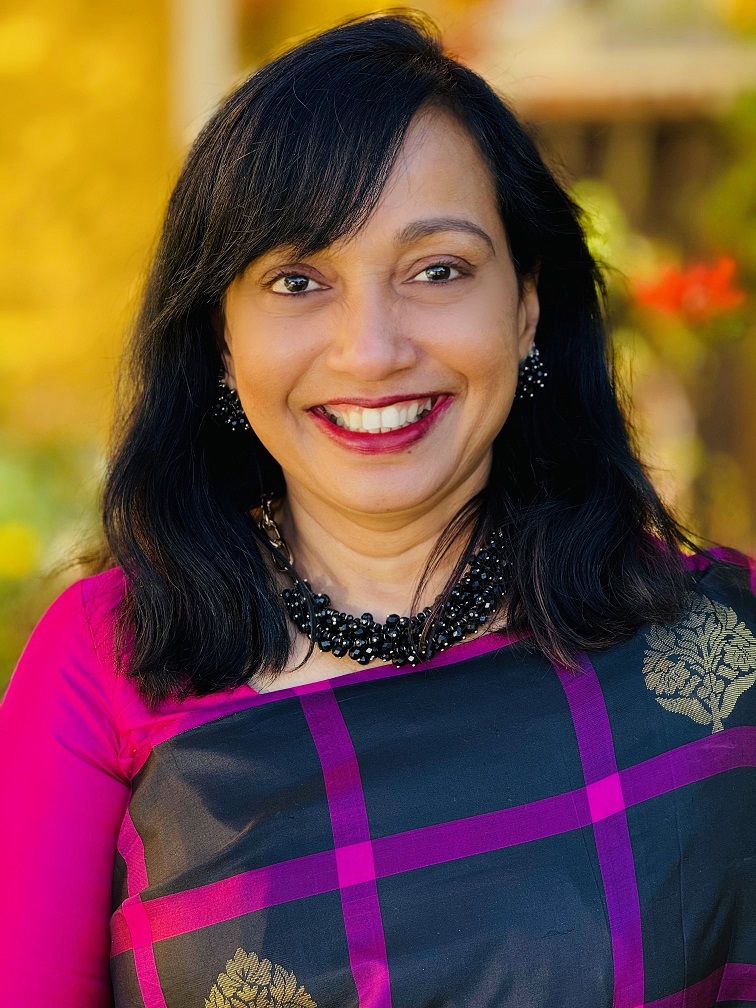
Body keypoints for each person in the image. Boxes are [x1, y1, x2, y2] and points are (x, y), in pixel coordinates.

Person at [1, 12, 755, 1008]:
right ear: (221, 338)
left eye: (437, 270)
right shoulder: (106, 666)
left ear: (527, 307)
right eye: (297, 280)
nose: (371, 350)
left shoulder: (720, 646)